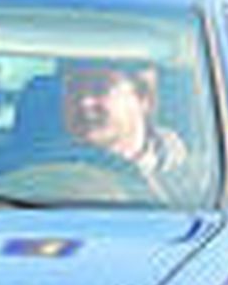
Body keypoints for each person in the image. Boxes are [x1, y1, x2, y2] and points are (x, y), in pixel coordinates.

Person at [61, 59, 189, 199]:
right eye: (74, 88)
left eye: (100, 88)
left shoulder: (196, 184)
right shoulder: (44, 175)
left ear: (144, 99)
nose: (84, 102)